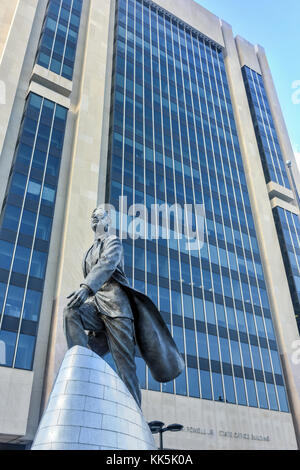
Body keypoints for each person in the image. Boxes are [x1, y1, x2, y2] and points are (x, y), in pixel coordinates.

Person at [63, 206, 184, 408]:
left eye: (99, 215)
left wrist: (85, 288)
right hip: (96, 307)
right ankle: (82, 364)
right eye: (92, 215)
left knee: (125, 367)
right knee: (70, 311)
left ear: (107, 221)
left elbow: (106, 266)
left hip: (117, 309)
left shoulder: (113, 242)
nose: (94, 217)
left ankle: (134, 413)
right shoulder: (88, 252)